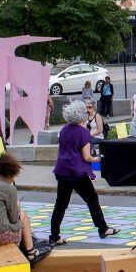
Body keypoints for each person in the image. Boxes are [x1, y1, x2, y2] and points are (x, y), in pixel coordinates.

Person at [48, 101, 120, 245]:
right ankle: (103, 228)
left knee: (60, 204)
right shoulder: (83, 133)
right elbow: (86, 156)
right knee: (92, 199)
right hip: (76, 171)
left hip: (62, 170)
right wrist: (96, 158)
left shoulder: (64, 129)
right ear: (82, 115)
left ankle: (54, 236)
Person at [0, 153, 50, 262]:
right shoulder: (9, 189)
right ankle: (30, 251)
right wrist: (17, 207)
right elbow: (14, 219)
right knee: (23, 216)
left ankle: (29, 249)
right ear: (11, 174)